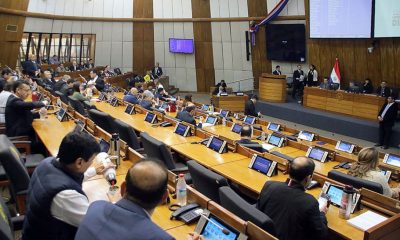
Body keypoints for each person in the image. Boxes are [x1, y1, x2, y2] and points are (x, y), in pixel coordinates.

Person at [22, 132, 113, 240]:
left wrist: (94, 171)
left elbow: (66, 178)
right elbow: (95, 224)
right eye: (92, 160)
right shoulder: (66, 195)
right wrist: (114, 204)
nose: (92, 163)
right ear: (79, 162)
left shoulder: (47, 163)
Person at [75, 159, 174, 240]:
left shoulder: (95, 207)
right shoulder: (159, 237)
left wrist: (114, 202)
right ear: (164, 197)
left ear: (122, 189)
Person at [257, 157, 328, 240]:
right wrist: (322, 213)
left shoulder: (269, 185)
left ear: (289, 170)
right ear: (308, 178)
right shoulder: (310, 202)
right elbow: (321, 235)